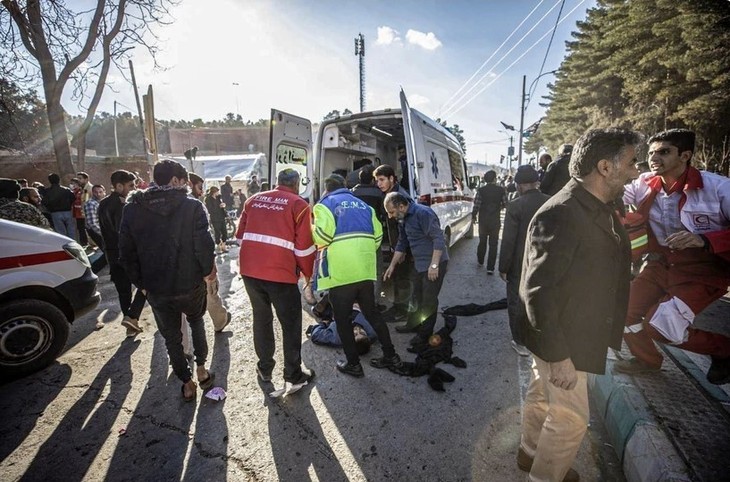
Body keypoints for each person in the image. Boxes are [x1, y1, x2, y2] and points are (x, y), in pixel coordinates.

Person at [517, 128, 640, 482]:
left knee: (541, 394)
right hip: (563, 340)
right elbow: (538, 291)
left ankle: (529, 453)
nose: (636, 171)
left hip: (570, 333)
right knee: (571, 420)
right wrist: (559, 357)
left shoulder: (599, 206)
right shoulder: (562, 212)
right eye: (631, 163)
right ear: (604, 166)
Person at [614, 129, 730, 384]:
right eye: (652, 152)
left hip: (704, 272)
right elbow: (613, 194)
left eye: (664, 152)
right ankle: (647, 360)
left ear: (685, 155)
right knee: (621, 309)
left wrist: (705, 240)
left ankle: (724, 350)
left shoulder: (719, 188)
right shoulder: (643, 183)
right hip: (659, 264)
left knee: (662, 325)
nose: (654, 158)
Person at [119, 159, 216, 402]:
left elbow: (126, 252)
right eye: (184, 181)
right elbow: (204, 245)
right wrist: (208, 272)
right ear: (175, 180)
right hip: (190, 283)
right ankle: (202, 369)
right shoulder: (192, 207)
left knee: (171, 336)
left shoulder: (132, 208)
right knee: (196, 323)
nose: (186, 185)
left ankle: (186, 382)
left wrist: (141, 283)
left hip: (156, 287)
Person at [312, 174, 401, 377]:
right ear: (345, 186)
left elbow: (323, 237)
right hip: (365, 271)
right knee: (372, 314)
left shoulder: (324, 205)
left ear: (327, 189)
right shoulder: (363, 206)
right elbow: (378, 237)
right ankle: (391, 356)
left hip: (342, 273)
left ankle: (353, 364)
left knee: (342, 320)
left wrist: (312, 230)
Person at [235, 168, 316, 386]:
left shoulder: (252, 200)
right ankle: (292, 373)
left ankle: (264, 369)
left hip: (250, 272)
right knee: (290, 324)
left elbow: (240, 237)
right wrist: (308, 275)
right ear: (297, 184)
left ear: (277, 182)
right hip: (281, 274)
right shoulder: (299, 205)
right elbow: (304, 249)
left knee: (261, 318)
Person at [383, 191, 449, 350]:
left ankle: (425, 334)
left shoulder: (422, 213)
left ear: (401, 206)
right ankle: (413, 324)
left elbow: (438, 239)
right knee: (415, 296)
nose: (391, 216)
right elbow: (402, 242)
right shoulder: (403, 218)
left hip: (434, 263)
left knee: (428, 300)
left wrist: (434, 265)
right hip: (419, 264)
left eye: (392, 212)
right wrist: (392, 265)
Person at [498, 165, 549, 357]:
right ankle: (538, 337)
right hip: (545, 261)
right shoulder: (550, 202)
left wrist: (503, 267)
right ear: (537, 183)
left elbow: (508, 240)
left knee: (517, 302)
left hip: (520, 263)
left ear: (518, 186)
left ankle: (519, 341)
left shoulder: (515, 205)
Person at [98, 170, 147, 337]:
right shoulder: (121, 204)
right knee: (145, 284)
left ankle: (130, 325)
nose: (133, 188)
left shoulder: (103, 203)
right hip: (126, 254)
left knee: (123, 291)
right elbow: (122, 231)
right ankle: (132, 316)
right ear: (119, 186)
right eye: (130, 186)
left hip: (111, 254)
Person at [189, 173, 232, 333]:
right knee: (210, 292)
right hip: (196, 261)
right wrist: (209, 267)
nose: (201, 191)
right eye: (200, 187)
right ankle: (219, 321)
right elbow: (202, 240)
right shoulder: (193, 205)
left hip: (179, 265)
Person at [373, 164, 414, 328]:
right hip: (396, 244)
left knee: (402, 278)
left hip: (403, 245)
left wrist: (401, 249)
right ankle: (398, 308)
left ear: (391, 178)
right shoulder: (390, 194)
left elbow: (405, 226)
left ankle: (402, 312)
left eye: (382, 180)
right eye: (377, 180)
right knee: (397, 277)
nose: (379, 184)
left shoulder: (399, 197)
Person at [351, 165, 386, 304]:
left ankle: (357, 301)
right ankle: (374, 302)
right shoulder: (378, 193)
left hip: (355, 236)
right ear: (373, 179)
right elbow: (385, 214)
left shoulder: (351, 193)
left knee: (358, 269)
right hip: (373, 236)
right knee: (376, 271)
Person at [307, 304, 377, 355]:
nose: (358, 330)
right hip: (359, 303)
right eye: (362, 333)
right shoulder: (372, 331)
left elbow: (316, 335)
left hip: (336, 306)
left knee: (321, 307)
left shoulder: (338, 338)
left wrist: (323, 323)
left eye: (355, 334)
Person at [472, 170, 507, 273]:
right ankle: (490, 268)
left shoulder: (481, 190)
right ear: (495, 179)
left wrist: (474, 216)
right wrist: (498, 207)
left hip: (483, 220)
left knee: (482, 241)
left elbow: (477, 204)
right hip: (495, 220)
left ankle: (480, 260)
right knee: (493, 244)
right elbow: (505, 204)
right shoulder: (501, 190)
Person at [42, 173, 76, 239]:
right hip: (67, 211)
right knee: (71, 230)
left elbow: (45, 202)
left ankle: (64, 245)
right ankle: (72, 243)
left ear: (49, 181)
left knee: (61, 232)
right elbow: (73, 198)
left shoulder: (47, 191)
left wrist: (49, 208)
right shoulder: (66, 190)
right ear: (59, 180)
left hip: (55, 213)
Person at [204, 186, 228, 254]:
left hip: (221, 216)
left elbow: (221, 205)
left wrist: (223, 206)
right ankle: (218, 247)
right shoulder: (208, 199)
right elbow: (210, 209)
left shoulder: (218, 198)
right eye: (217, 191)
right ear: (214, 192)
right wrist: (218, 207)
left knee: (224, 232)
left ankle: (224, 246)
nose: (218, 192)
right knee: (217, 232)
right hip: (215, 218)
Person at [83, 184, 106, 253]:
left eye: (100, 192)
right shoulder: (91, 204)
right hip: (96, 232)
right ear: (92, 193)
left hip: (100, 230)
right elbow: (92, 223)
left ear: (104, 192)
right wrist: (105, 234)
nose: (98, 194)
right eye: (96, 192)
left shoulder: (100, 202)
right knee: (107, 252)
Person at [70, 178, 88, 246]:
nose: (72, 185)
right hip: (76, 213)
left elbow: (85, 200)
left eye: (73, 183)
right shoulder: (73, 192)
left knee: (82, 228)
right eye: (71, 183)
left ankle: (85, 242)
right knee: (79, 228)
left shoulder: (83, 191)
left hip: (81, 213)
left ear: (77, 184)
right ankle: (82, 242)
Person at [77, 172, 93, 244]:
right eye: (78, 178)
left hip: (90, 212)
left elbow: (87, 200)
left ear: (86, 179)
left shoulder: (90, 188)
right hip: (83, 212)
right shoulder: (82, 188)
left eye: (80, 178)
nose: (78, 180)